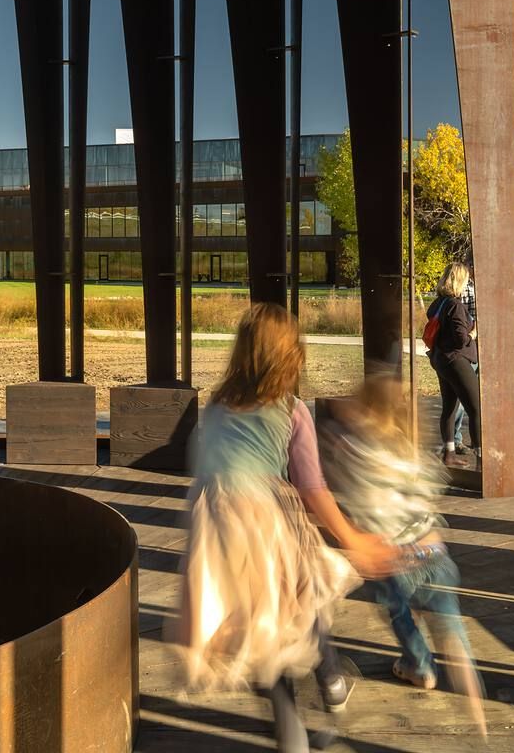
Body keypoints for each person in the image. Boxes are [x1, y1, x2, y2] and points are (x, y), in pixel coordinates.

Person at [178, 302, 398, 753]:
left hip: (216, 527)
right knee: (306, 589)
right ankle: (326, 685)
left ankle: (296, 719)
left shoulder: (215, 408)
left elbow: (200, 465)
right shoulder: (292, 411)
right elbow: (313, 488)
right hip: (264, 519)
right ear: (291, 356)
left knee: (260, 634)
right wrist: (352, 537)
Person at [319, 373, 487, 733]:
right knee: (446, 612)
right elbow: (434, 484)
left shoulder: (357, 450)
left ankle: (419, 666)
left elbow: (345, 486)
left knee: (399, 613)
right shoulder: (411, 450)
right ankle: (460, 656)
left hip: (393, 558)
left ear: (366, 410)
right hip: (433, 548)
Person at [426, 263, 481, 469]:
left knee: (449, 409)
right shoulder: (456, 306)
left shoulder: (438, 303)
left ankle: (449, 455)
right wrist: (473, 334)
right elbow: (460, 338)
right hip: (457, 359)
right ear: (460, 280)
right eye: (466, 279)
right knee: (476, 410)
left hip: (441, 359)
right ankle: (482, 462)